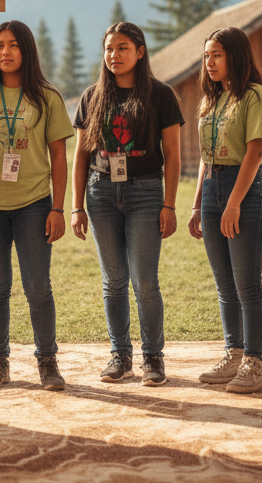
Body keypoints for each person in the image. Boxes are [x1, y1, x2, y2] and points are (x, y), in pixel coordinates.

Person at [0, 21, 73, 390]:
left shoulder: (47, 98)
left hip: (34, 204)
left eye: (14, 46)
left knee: (37, 286)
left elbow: (59, 155)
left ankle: (47, 362)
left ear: (27, 51)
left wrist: (57, 208)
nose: (5, 52)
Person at [72, 22, 183, 386]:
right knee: (113, 281)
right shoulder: (92, 97)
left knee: (145, 281)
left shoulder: (161, 95)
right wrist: (76, 206)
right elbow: (80, 157)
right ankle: (120, 356)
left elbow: (173, 154)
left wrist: (169, 205)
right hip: (101, 193)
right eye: (108, 48)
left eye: (122, 48)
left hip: (145, 192)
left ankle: (153, 358)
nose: (114, 55)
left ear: (140, 51)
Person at [188, 27, 262, 394]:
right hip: (212, 188)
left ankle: (255, 363)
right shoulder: (211, 99)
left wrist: (234, 203)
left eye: (217, 55)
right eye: (207, 55)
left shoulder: (254, 96)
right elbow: (206, 160)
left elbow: (255, 152)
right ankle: (233, 355)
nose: (209, 62)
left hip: (246, 188)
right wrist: (197, 205)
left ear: (235, 57)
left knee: (247, 284)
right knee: (225, 285)